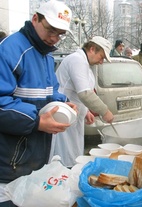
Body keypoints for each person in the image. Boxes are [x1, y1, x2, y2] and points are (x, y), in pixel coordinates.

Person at [0, 0, 77, 206]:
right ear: (35, 19)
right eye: (51, 30)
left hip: (34, 155)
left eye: (60, 33)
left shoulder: (46, 56)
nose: (54, 38)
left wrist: (63, 103)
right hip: (9, 159)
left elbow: (50, 92)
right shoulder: (10, 50)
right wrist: (37, 122)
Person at [49, 36, 114, 168]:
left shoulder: (85, 64)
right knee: (63, 158)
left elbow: (76, 92)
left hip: (73, 116)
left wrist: (86, 111)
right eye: (101, 57)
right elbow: (84, 94)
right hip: (63, 116)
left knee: (73, 155)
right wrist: (105, 111)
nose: (101, 62)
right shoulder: (77, 60)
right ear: (92, 49)